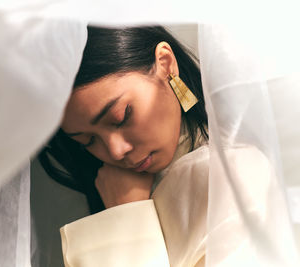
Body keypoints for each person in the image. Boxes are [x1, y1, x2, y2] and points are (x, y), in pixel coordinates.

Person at [38, 26, 274, 267]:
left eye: (121, 117)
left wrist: (127, 218)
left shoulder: (235, 174)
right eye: (87, 141)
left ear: (166, 64)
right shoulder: (116, 189)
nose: (115, 151)